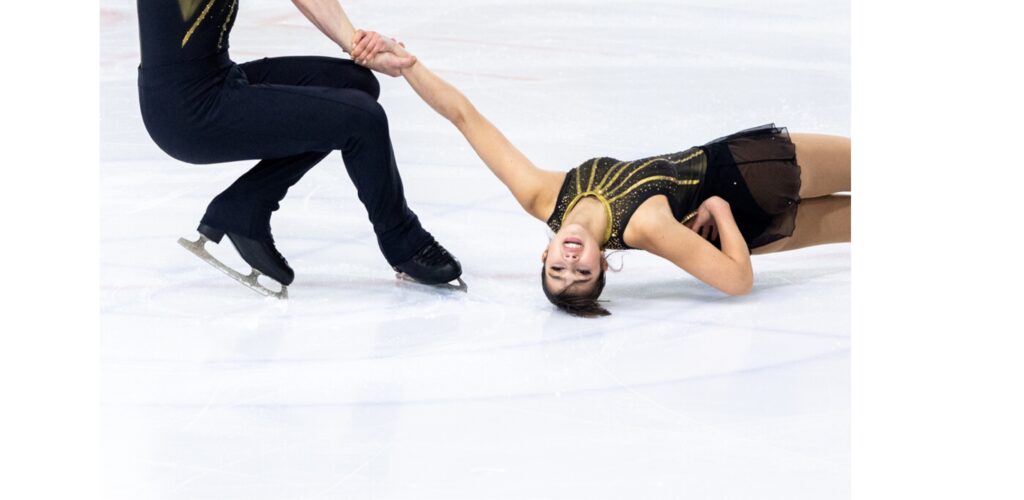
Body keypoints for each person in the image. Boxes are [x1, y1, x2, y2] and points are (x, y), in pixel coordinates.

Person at [350, 33, 851, 316]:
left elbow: (464, 117)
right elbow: (738, 281)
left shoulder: (540, 195)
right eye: (582, 272)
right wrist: (719, 207)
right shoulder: (642, 228)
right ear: (604, 265)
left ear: (543, 253)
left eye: (557, 270)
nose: (570, 262)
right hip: (748, 178)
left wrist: (409, 67)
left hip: (747, 210)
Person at [136, 0, 461, 298]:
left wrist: (359, 47)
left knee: (356, 85)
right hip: (186, 111)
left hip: (219, 80)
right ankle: (402, 241)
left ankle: (244, 206)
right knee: (363, 120)